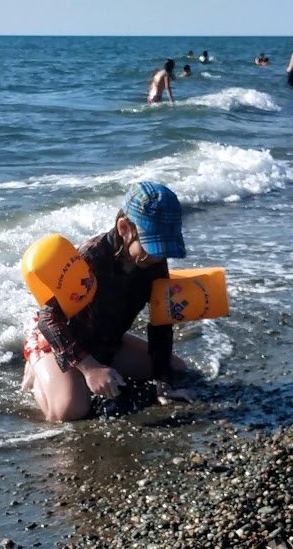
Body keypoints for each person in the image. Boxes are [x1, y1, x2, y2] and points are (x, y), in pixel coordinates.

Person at [22, 181, 192, 422]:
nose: (158, 255)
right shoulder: (89, 259)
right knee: (68, 411)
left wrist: (163, 383)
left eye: (164, 248)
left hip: (105, 341)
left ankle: (89, 370)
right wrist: (89, 368)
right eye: (152, 245)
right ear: (124, 228)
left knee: (177, 371)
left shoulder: (152, 262)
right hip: (57, 340)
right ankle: (37, 366)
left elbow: (161, 323)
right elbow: (49, 320)